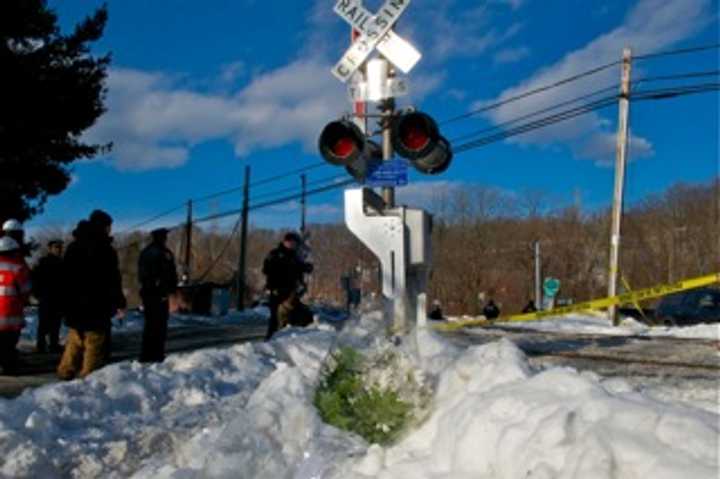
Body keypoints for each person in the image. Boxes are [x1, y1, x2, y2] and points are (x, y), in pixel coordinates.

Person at [57, 211, 126, 380]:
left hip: (74, 303)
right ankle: (90, 377)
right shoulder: (105, 250)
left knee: (75, 337)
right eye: (109, 226)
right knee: (94, 341)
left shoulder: (74, 247)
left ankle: (66, 370)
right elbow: (112, 279)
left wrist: (65, 301)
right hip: (97, 303)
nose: (110, 230)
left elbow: (64, 276)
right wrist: (119, 300)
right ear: (103, 226)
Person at [262, 232, 313, 340]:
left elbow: (299, 269)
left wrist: (306, 268)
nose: (292, 245)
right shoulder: (275, 254)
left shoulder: (294, 256)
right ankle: (270, 341)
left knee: (297, 315)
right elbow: (266, 269)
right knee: (276, 318)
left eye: (294, 243)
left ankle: (288, 338)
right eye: (290, 242)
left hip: (291, 291)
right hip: (276, 290)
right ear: (285, 242)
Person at [137, 228, 178, 363]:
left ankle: (146, 354)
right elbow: (169, 275)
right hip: (160, 294)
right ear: (163, 238)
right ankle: (157, 355)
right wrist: (171, 293)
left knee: (149, 325)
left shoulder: (145, 252)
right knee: (159, 326)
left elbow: (141, 276)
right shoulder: (164, 253)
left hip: (147, 293)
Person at [0, 237, 31, 375]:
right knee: (9, 344)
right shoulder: (18, 267)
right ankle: (9, 367)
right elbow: (25, 290)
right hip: (10, 314)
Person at [32, 239, 65, 353]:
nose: (59, 249)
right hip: (46, 297)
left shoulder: (63, 263)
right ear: (50, 248)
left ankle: (53, 344)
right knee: (44, 323)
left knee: (56, 323)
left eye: (60, 247)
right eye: (56, 247)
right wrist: (37, 294)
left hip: (58, 298)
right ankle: (40, 345)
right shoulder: (43, 262)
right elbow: (35, 279)